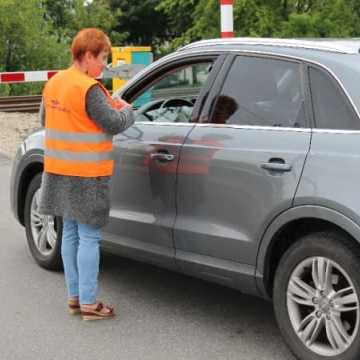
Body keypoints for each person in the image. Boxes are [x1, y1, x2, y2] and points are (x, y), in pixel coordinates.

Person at [38, 28, 135, 320]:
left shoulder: (54, 83)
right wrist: (128, 109)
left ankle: (75, 297)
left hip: (58, 170)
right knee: (89, 237)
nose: (104, 65)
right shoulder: (90, 89)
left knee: (70, 232)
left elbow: (45, 119)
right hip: (87, 174)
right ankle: (91, 305)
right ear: (88, 55)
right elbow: (114, 122)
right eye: (103, 57)